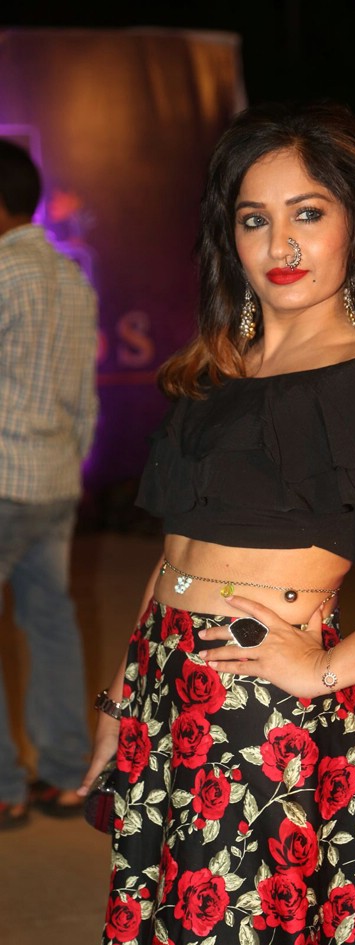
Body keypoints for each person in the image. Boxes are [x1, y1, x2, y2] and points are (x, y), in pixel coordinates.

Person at [79, 102, 355, 944]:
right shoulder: (219, 371)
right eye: (255, 220)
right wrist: (123, 699)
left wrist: (325, 670)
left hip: (259, 708)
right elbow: (176, 558)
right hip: (168, 690)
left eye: (308, 214)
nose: (280, 245)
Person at [0, 140, 98, 828]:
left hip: (3, 475)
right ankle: (65, 776)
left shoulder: (2, 274)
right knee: (51, 622)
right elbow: (85, 398)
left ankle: (5, 787)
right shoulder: (71, 279)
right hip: (57, 477)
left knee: (48, 621)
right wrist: (72, 465)